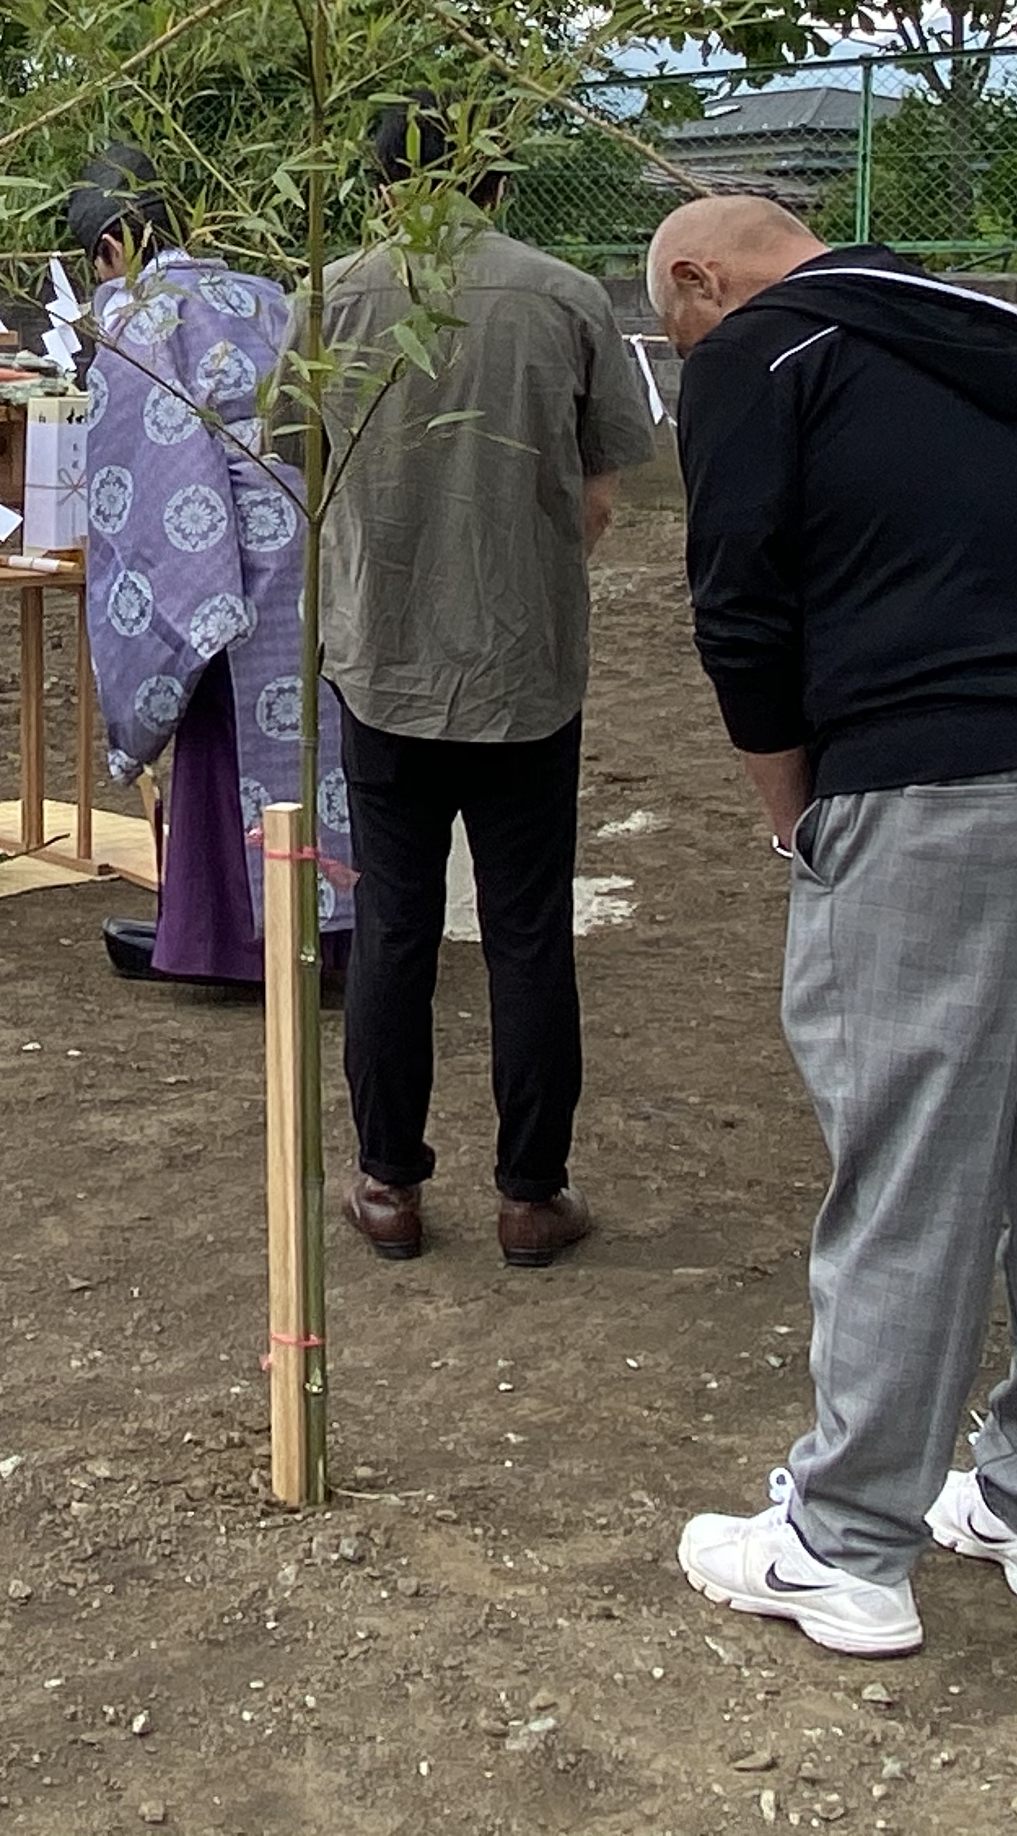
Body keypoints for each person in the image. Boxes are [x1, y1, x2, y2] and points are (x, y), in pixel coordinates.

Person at [659, 192, 1017, 1657]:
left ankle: (849, 1542)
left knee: (913, 1160)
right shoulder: (1005, 345)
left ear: (704, 278)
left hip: (933, 794)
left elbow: (741, 609)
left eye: (675, 316)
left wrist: (791, 806)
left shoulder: (759, 352)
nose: (684, 343)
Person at [319, 103, 657, 1271]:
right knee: (526, 928)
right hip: (525, 665)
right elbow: (603, 493)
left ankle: (387, 1183)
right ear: (495, 186)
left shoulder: (333, 297)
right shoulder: (566, 297)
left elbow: (292, 462)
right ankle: (530, 1193)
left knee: (394, 924)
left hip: (381, 657)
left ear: (374, 187)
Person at [66, 148, 348, 991]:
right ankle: (333, 934)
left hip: (224, 557)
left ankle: (231, 944)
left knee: (222, 733)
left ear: (113, 243)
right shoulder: (265, 294)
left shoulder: (137, 318)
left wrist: (172, 597)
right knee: (317, 749)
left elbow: (144, 490)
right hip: (311, 542)